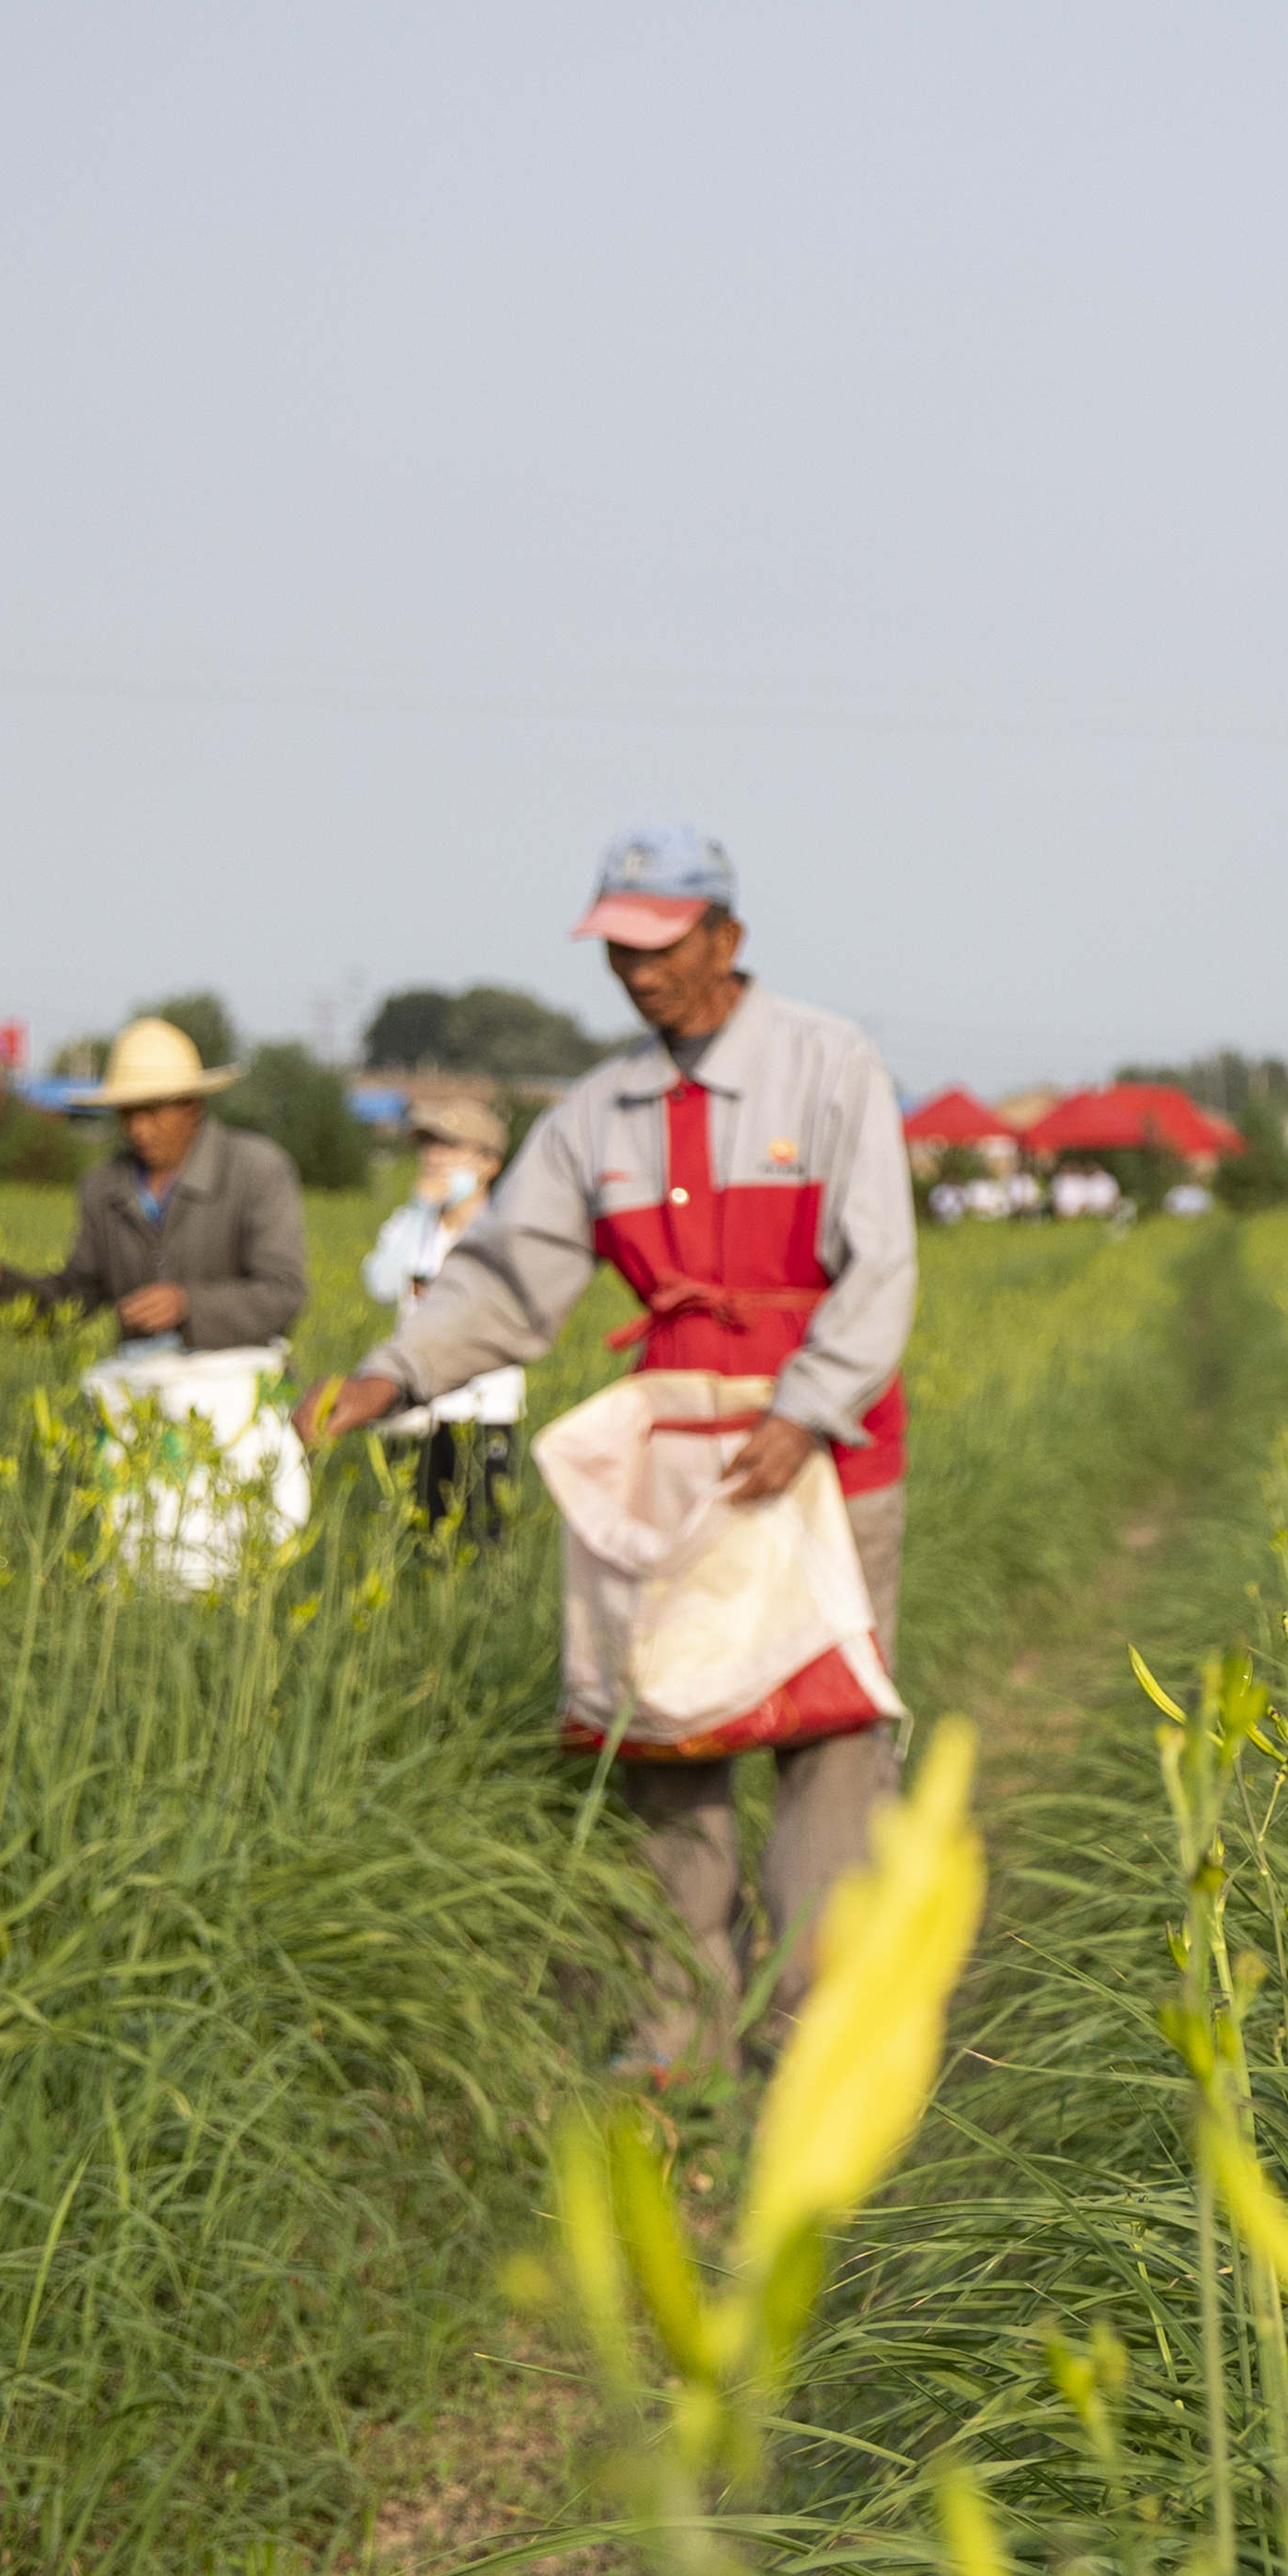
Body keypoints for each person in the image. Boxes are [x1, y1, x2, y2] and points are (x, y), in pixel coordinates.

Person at [298, 825, 916, 2076]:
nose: (635, 972)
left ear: (724, 938)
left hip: (824, 1461)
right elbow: (510, 1277)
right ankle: (672, 2047)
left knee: (827, 1746)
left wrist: (802, 1409)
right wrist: (389, 1373)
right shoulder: (597, 1113)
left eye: (658, 944)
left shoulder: (827, 1066)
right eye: (617, 949)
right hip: (670, 1471)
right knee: (666, 1741)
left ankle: (820, 2049)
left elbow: (880, 1269)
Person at [0, 1018, 309, 1351]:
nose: (138, 1129)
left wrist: (188, 1305)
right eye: (127, 1112)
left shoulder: (256, 1170)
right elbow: (73, 1298)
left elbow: (283, 1293)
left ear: (192, 1105)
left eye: (153, 1110)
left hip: (242, 1389)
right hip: (140, 1397)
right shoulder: (105, 1188)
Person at [355, 1095, 531, 1533]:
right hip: (413, 1413)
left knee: (480, 1539)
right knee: (414, 1542)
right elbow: (380, 1282)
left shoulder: (506, 1230)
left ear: (489, 1163)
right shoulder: (411, 1223)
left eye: (451, 1147)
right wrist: (419, 1210)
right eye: (429, 1146)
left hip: (484, 1410)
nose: (434, 1158)